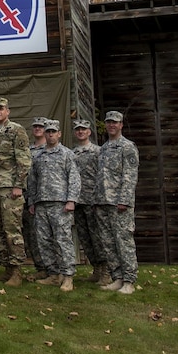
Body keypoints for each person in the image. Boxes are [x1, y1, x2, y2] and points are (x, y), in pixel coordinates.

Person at [27, 119, 80, 291]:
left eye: (53, 132)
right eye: (47, 131)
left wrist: (71, 200)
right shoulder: (38, 155)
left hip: (60, 203)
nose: (50, 134)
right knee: (44, 241)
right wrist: (32, 201)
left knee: (63, 240)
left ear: (59, 134)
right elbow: (32, 180)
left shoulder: (66, 154)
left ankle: (67, 276)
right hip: (41, 203)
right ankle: (53, 274)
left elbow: (74, 178)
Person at [0, 96, 31, 287]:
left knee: (12, 230)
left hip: (10, 189)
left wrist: (19, 185)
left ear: (7, 111)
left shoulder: (16, 130)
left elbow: (24, 159)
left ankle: (17, 271)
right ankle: (7, 268)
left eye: (1, 109)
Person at [94, 110, 139, 294]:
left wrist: (125, 200)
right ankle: (117, 277)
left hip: (119, 203)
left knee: (123, 240)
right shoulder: (103, 148)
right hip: (103, 202)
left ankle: (129, 280)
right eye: (109, 122)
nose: (112, 125)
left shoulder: (127, 147)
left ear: (121, 125)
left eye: (115, 122)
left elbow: (130, 176)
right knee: (108, 242)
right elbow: (101, 177)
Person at [71, 118, 109, 283]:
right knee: (85, 238)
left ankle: (106, 271)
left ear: (89, 132)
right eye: (78, 129)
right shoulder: (72, 154)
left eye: (83, 129)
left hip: (94, 201)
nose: (80, 132)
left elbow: (104, 176)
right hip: (78, 201)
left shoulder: (98, 152)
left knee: (98, 237)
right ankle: (96, 269)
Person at [24, 116, 49, 278]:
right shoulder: (28, 150)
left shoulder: (53, 149)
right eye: (35, 126)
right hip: (29, 198)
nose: (38, 129)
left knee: (49, 236)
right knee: (32, 235)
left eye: (41, 127)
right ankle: (41, 268)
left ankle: (54, 270)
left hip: (48, 198)